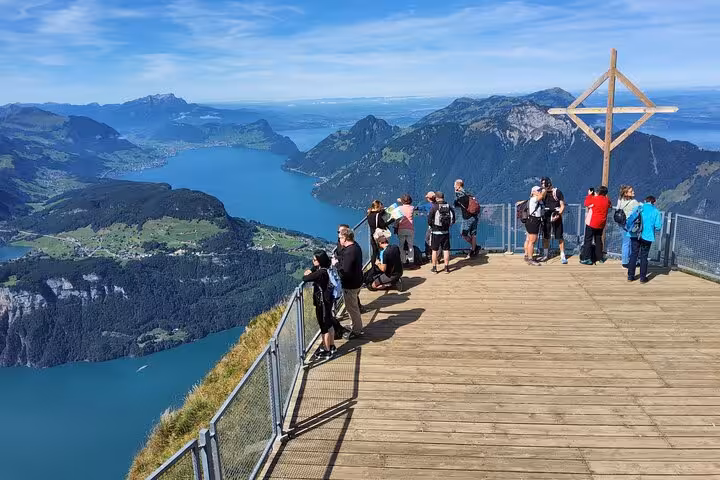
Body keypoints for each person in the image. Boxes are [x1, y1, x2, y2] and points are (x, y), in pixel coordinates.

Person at [302, 250, 337, 358]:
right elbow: (313, 270)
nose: (313, 261)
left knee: (324, 327)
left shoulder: (320, 273)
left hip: (322, 303)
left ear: (320, 261)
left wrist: (307, 273)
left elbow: (305, 278)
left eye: (314, 260)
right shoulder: (325, 268)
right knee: (329, 323)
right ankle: (331, 346)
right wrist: (311, 270)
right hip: (328, 300)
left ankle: (326, 351)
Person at [626, 196, 663, 283]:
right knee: (644, 256)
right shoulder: (656, 211)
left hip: (635, 234)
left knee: (633, 254)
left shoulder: (638, 208)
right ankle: (643, 278)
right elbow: (658, 227)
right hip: (647, 236)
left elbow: (630, 219)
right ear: (654, 202)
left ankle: (630, 276)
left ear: (645, 201)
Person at [336, 226, 364, 339]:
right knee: (353, 306)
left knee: (352, 308)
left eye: (340, 238)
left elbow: (344, 271)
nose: (339, 240)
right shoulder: (356, 246)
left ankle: (357, 330)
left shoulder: (349, 252)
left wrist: (336, 264)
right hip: (358, 280)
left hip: (350, 284)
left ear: (345, 238)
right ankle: (354, 325)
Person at [580, 185, 612, 265]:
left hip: (592, 223)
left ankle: (586, 258)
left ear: (598, 192)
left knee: (588, 240)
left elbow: (586, 203)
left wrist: (589, 195)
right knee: (598, 240)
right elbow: (610, 205)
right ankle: (600, 257)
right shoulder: (607, 200)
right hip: (601, 224)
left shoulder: (594, 199)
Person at [539, 177, 567, 264]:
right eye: (542, 184)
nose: (543, 186)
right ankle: (546, 254)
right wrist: (543, 192)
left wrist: (559, 215)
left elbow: (562, 205)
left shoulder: (557, 192)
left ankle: (562, 254)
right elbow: (538, 200)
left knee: (559, 236)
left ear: (549, 184)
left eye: (544, 184)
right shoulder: (543, 192)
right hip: (546, 215)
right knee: (546, 236)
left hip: (556, 214)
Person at [428, 191, 456, 274]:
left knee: (434, 250)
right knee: (446, 249)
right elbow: (453, 218)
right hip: (446, 232)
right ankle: (446, 268)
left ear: (436, 198)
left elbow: (429, 219)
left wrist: (432, 226)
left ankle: (434, 268)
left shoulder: (434, 207)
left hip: (436, 232)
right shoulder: (448, 206)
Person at [453, 179, 481, 259]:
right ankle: (473, 250)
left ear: (458, 186)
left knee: (463, 234)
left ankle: (475, 247)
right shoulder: (468, 192)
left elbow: (456, 204)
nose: (454, 187)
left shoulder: (459, 194)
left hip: (467, 217)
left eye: (455, 185)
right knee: (473, 234)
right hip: (475, 216)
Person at [616, 185, 641, 267]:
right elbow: (640, 208)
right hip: (630, 224)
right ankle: (632, 260)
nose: (633, 192)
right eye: (631, 191)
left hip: (622, 223)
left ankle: (625, 261)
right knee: (633, 242)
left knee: (625, 243)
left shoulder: (620, 200)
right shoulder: (634, 202)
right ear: (626, 193)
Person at [523, 185, 545, 266]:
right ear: (533, 192)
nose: (539, 191)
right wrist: (544, 188)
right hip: (534, 221)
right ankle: (530, 259)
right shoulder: (534, 199)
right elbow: (541, 196)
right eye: (537, 190)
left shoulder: (533, 200)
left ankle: (527, 255)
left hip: (530, 220)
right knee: (532, 241)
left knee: (528, 239)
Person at [367, 200, 393, 265]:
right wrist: (392, 220)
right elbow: (382, 225)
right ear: (377, 207)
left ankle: (374, 267)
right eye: (380, 207)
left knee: (375, 252)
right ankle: (383, 265)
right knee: (383, 251)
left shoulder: (369, 214)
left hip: (373, 235)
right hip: (380, 236)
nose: (381, 208)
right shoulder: (377, 215)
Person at [395, 194, 415, 267]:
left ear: (402, 201)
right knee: (410, 246)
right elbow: (407, 205)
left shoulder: (399, 208)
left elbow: (397, 218)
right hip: (410, 229)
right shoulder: (412, 208)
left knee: (401, 246)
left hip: (401, 229)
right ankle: (411, 261)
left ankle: (403, 261)